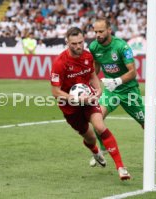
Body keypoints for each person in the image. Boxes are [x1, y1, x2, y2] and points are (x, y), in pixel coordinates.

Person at [88, 18, 156, 174]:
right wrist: (92, 84)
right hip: (111, 91)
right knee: (96, 118)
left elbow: (133, 72)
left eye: (101, 31)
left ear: (109, 30)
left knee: (146, 124)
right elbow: (96, 67)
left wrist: (117, 80)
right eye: (95, 32)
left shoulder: (122, 47)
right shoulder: (94, 46)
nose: (97, 35)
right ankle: (103, 149)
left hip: (129, 91)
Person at [50, 27, 131, 180]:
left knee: (100, 126)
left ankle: (121, 167)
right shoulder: (60, 63)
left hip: (88, 100)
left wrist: (98, 89)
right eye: (74, 44)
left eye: (80, 42)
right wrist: (76, 99)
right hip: (70, 107)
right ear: (67, 42)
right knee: (90, 138)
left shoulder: (87, 56)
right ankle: (95, 152)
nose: (78, 46)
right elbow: (55, 92)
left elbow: (92, 75)